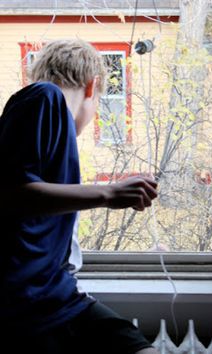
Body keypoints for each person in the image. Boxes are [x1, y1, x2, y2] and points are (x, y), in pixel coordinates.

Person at [0, 38, 159, 354]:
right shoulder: (45, 97)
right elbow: (9, 194)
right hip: (24, 309)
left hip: (57, 298)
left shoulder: (47, 123)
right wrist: (109, 192)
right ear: (92, 86)